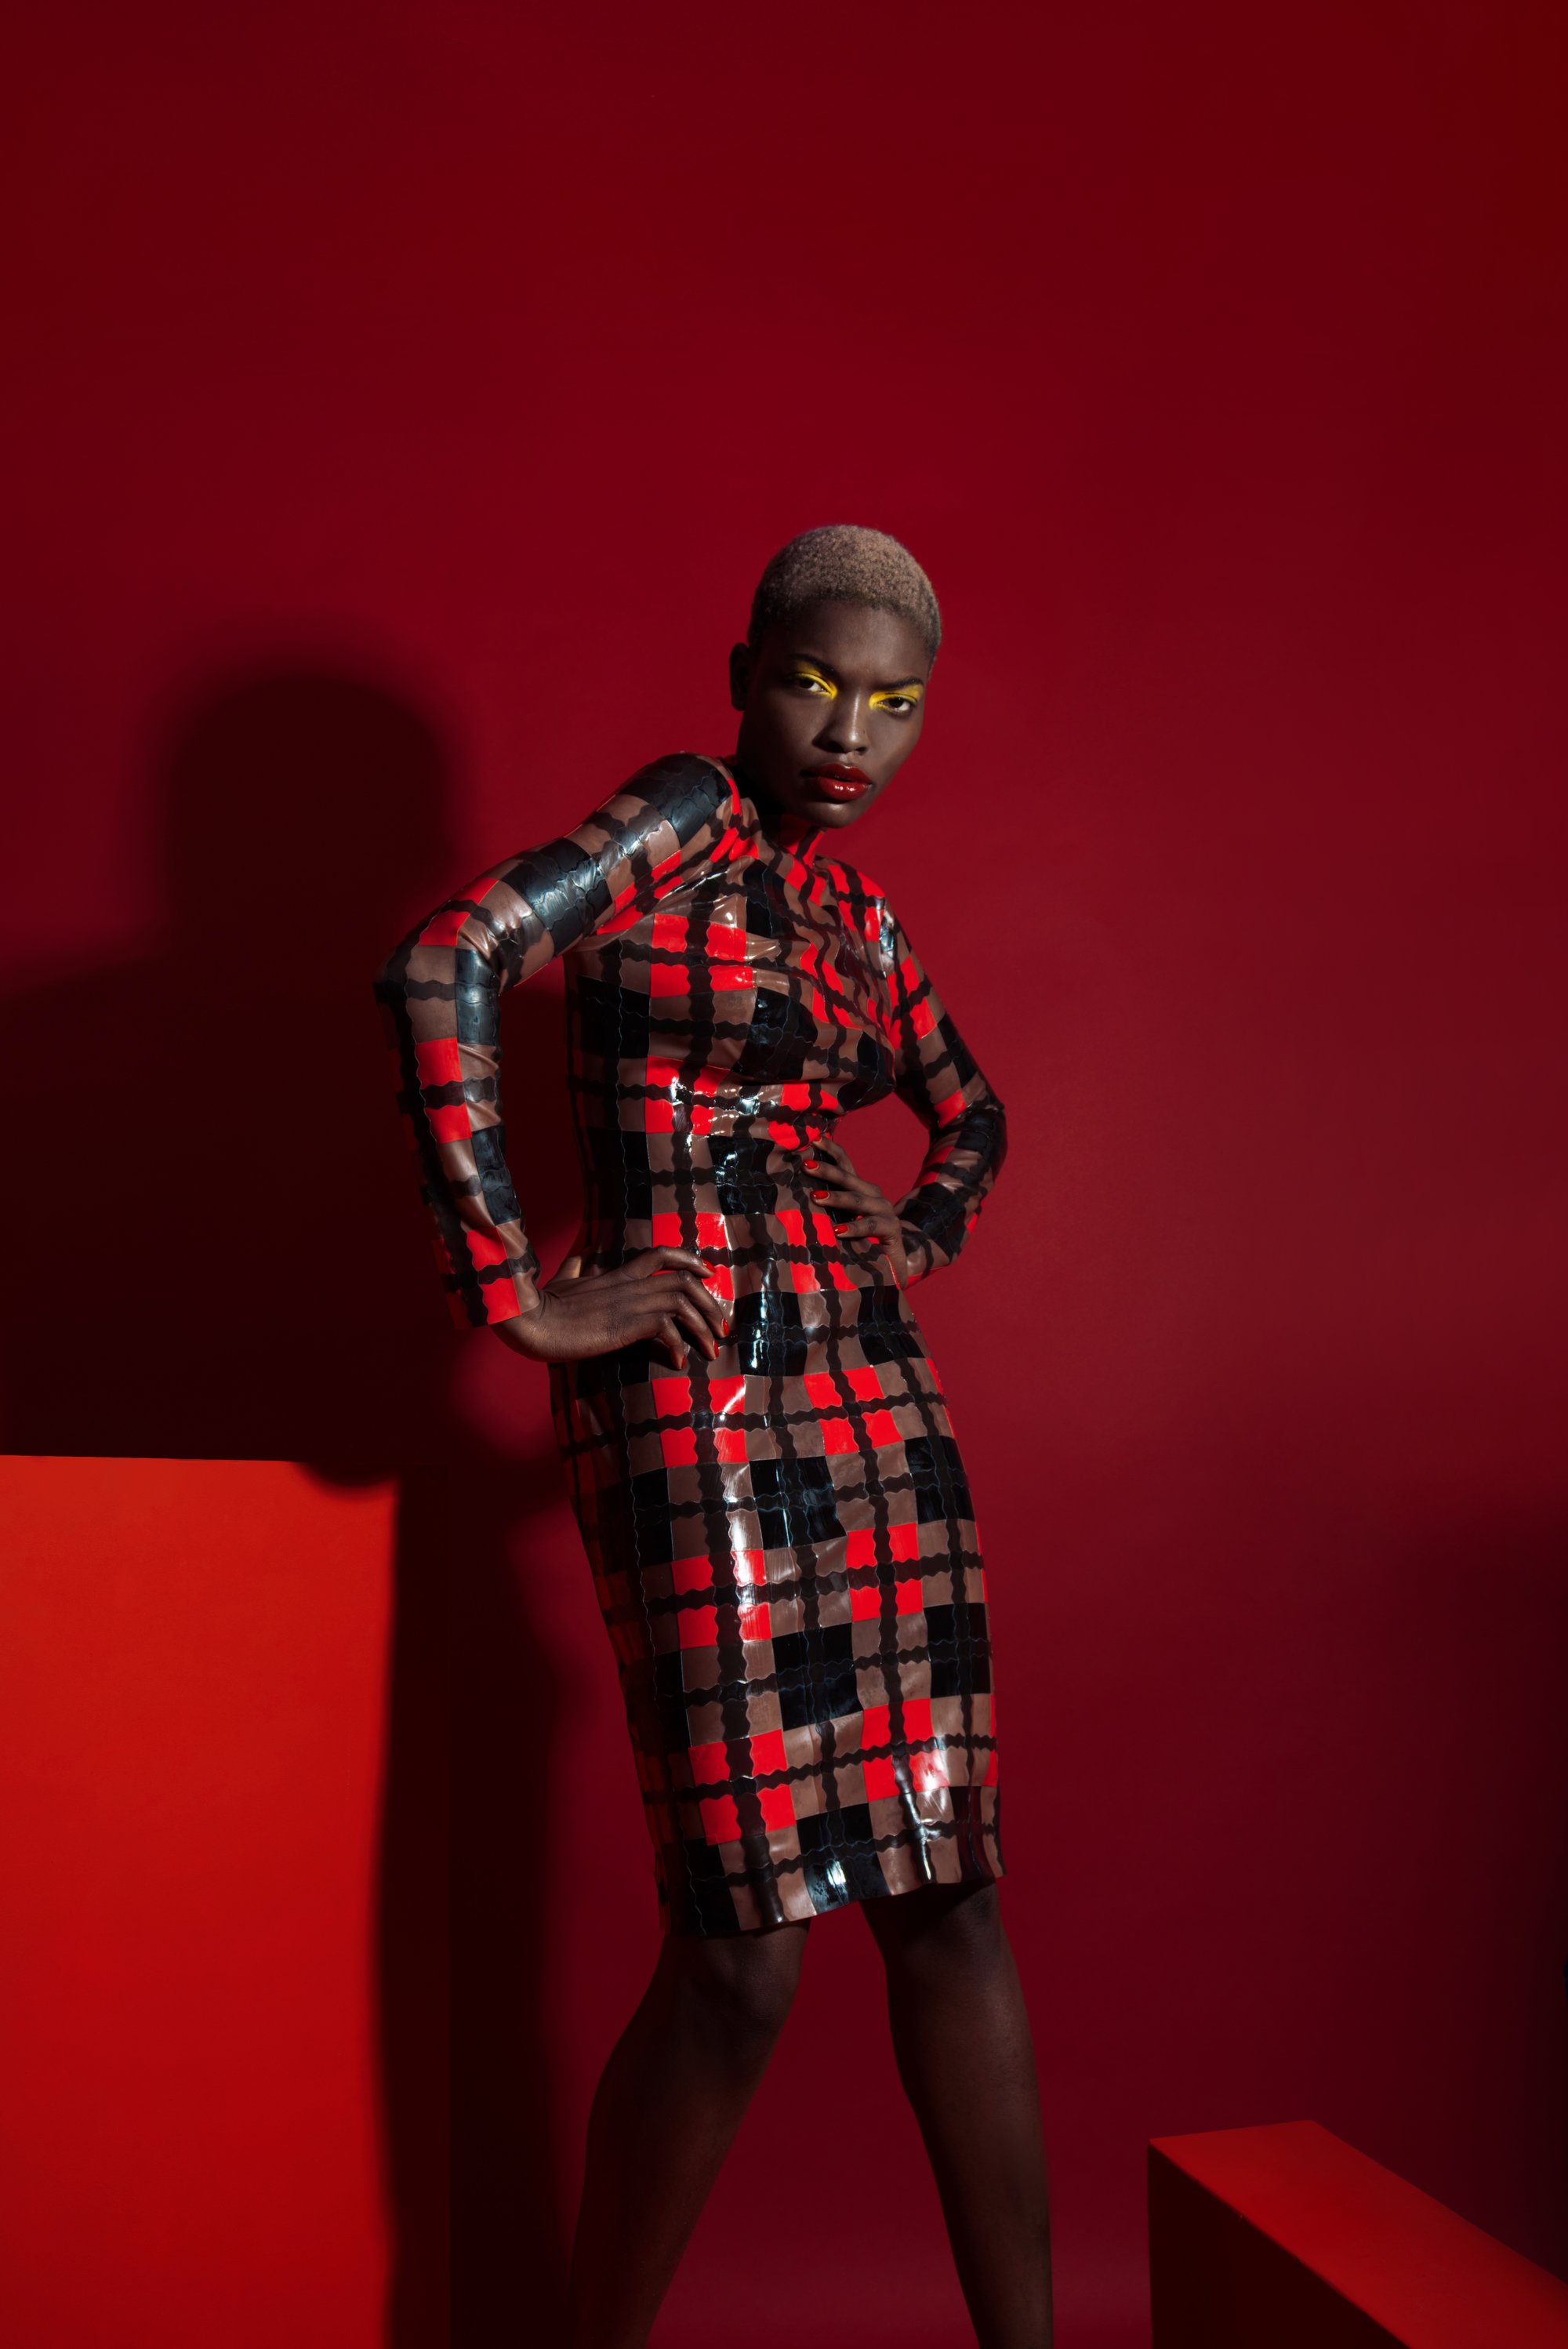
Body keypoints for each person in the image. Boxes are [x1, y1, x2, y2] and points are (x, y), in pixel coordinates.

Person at [376, 525, 1053, 2347]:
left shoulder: (858, 920)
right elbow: (444, 962)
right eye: (813, 685)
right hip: (687, 1408)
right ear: (745, 676)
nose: (848, 734)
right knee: (744, 1949)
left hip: (875, 1404)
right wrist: (512, 1289)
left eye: (893, 704)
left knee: (947, 1893)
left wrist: (920, 1229)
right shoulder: (676, 818)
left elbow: (973, 1114)